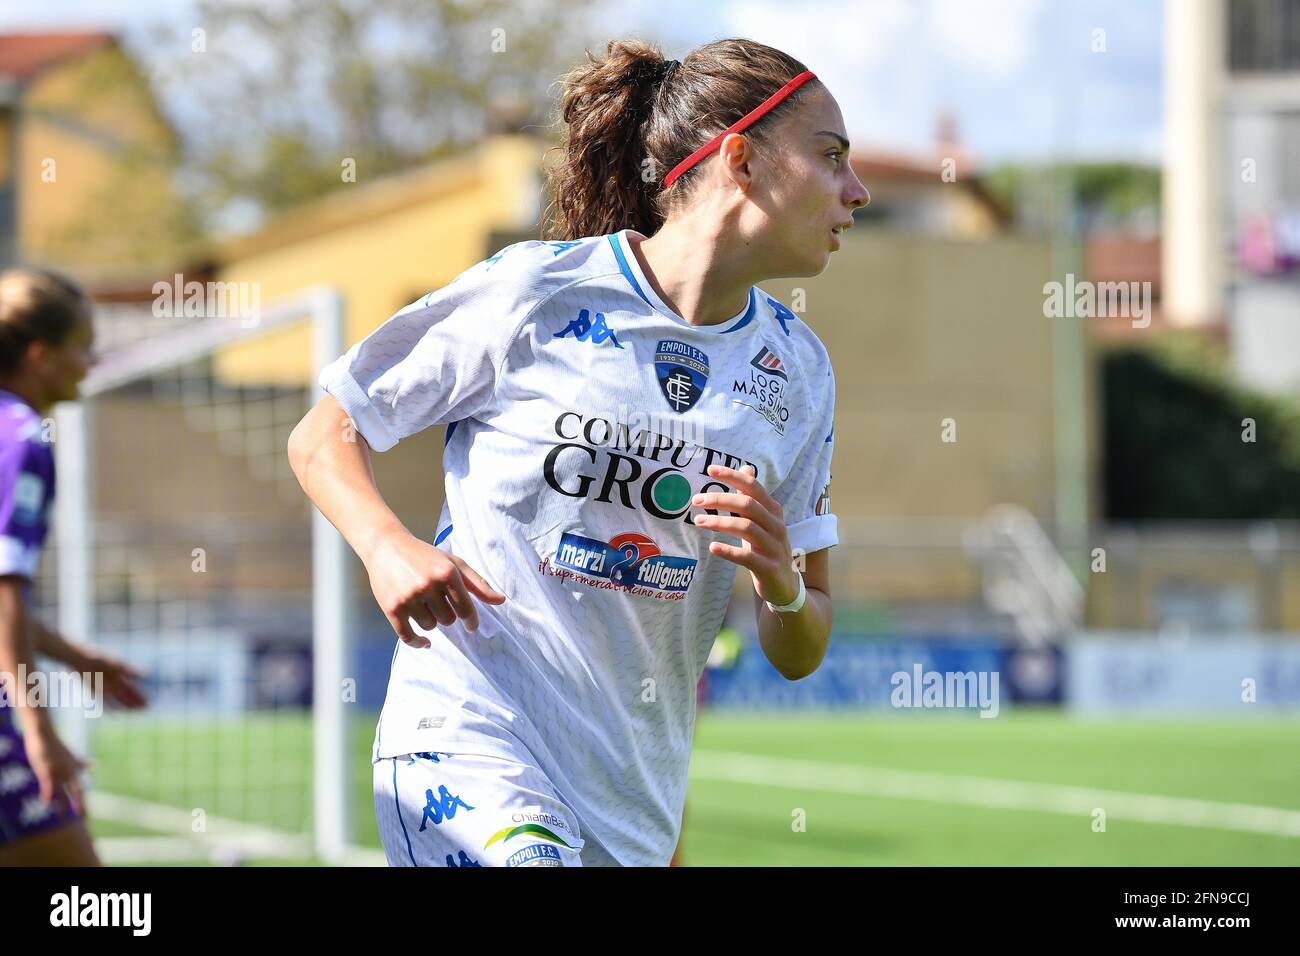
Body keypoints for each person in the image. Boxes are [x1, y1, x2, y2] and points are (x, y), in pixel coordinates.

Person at [288, 36, 868, 867]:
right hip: (469, 742)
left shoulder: (799, 372)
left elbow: (803, 647)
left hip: (633, 808)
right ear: (740, 159)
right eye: (831, 156)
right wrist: (387, 548)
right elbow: (324, 433)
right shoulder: (535, 294)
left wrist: (779, 584)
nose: (858, 190)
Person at [0, 267, 148, 866]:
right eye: (81, 345)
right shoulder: (21, 438)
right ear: (40, 355)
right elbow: (3, 588)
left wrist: (76, 660)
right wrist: (37, 730)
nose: (91, 359)